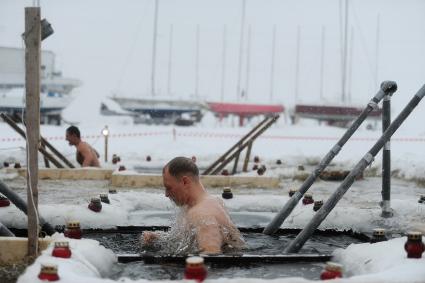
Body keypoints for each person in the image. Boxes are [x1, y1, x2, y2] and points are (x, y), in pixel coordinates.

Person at [143, 157, 244, 254]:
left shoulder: (202, 214)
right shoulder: (207, 203)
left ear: (185, 182)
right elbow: (188, 238)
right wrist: (157, 237)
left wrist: (170, 266)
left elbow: (211, 260)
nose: (166, 194)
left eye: (169, 188)